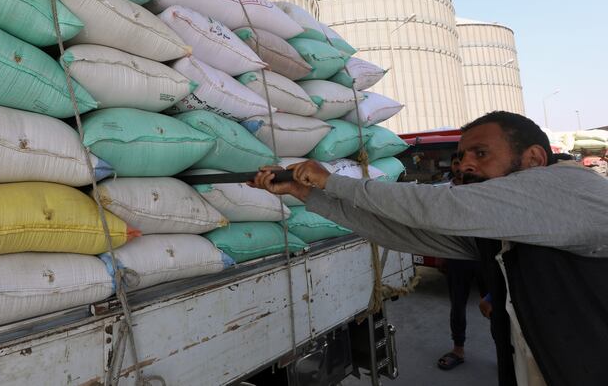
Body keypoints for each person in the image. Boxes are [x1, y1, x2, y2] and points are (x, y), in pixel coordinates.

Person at [249, 111, 608, 386]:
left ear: (533, 158)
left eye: (481, 153)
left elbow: (437, 206)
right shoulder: (506, 226)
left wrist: (332, 181)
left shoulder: (572, 187)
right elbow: (404, 232)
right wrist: (307, 194)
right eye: (464, 154)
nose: (466, 163)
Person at [437, 156, 489, 371]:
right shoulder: (444, 192)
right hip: (457, 257)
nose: (459, 168)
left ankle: (506, 348)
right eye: (456, 163)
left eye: (463, 163)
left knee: (496, 304)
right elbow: (438, 223)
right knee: (457, 305)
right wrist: (440, 253)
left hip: (486, 257)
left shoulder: (485, 187)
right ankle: (458, 349)